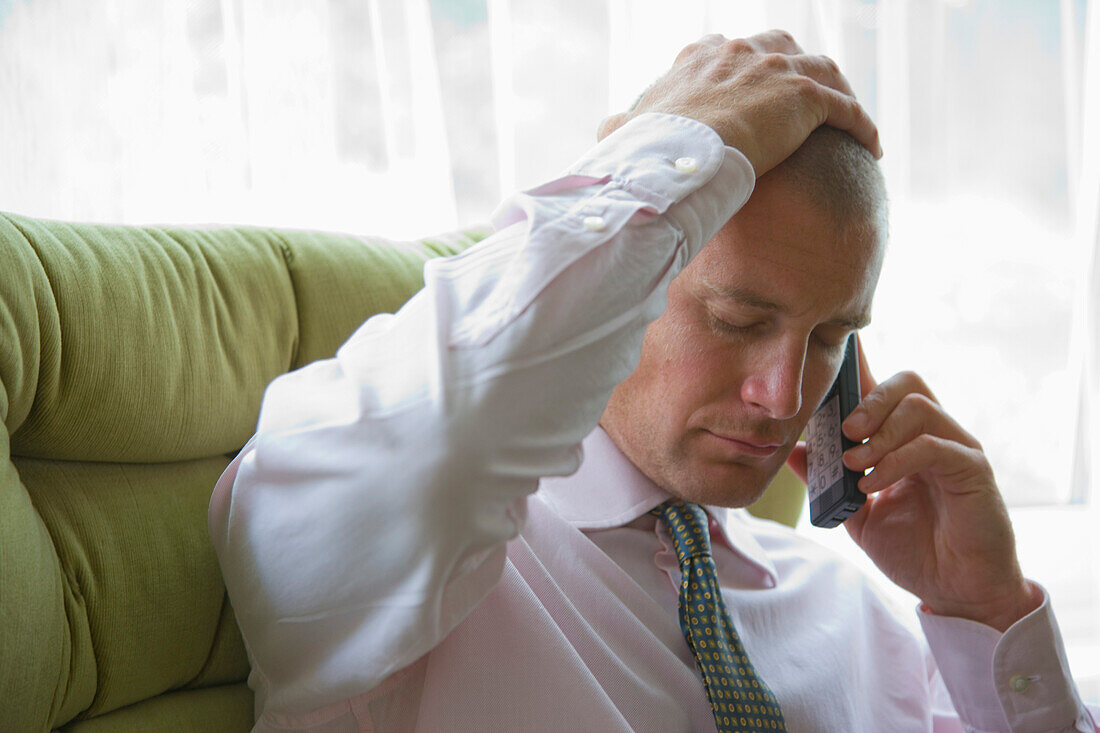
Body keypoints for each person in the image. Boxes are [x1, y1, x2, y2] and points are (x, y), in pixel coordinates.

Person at [209, 31, 1098, 732]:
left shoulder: (849, 615)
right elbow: (454, 432)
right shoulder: (413, 548)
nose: (785, 396)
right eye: (737, 320)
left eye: (830, 335)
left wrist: (983, 607)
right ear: (633, 276)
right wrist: (680, 151)